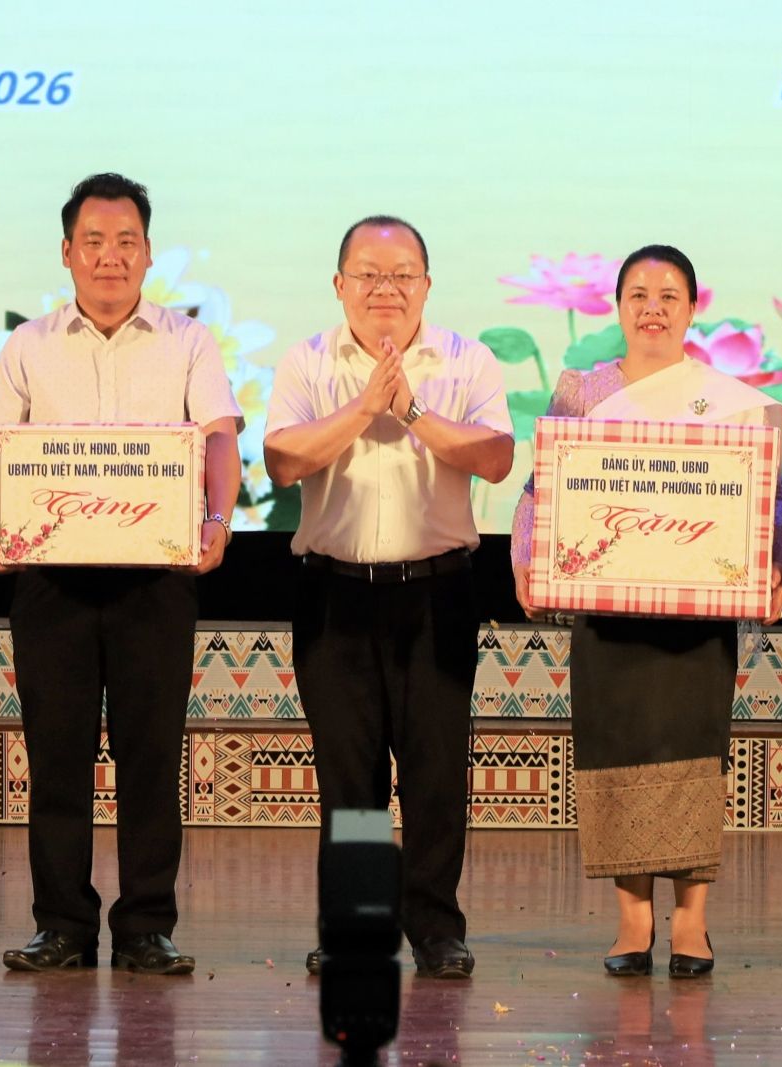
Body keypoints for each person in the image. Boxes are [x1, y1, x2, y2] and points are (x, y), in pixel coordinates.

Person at [0, 172, 242, 974]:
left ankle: (146, 926)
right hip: (51, 581)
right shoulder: (29, 345)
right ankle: (62, 926)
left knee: (151, 756)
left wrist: (216, 520)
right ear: (67, 252)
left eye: (127, 241)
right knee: (56, 758)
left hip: (155, 579)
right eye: (93, 241)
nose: (110, 256)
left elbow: (219, 439)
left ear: (149, 253)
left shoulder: (188, 342)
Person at [511, 244, 782, 977]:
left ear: (692, 309)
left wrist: (778, 568)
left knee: (692, 757)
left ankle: (692, 921)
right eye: (638, 294)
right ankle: (632, 920)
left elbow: (773, 499)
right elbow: (540, 490)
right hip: (607, 614)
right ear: (618, 307)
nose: (653, 309)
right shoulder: (583, 392)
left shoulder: (729, 400)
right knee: (617, 753)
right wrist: (526, 558)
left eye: (669, 296)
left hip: (697, 620)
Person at [264, 215, 514, 980]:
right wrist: (364, 408)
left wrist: (411, 412)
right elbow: (282, 460)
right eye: (368, 275)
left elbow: (495, 457)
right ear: (339, 284)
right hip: (334, 595)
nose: (386, 289)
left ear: (426, 286)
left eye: (402, 274)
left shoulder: (467, 360)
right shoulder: (307, 361)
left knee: (436, 775)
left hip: (438, 592)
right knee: (352, 778)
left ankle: (437, 928)